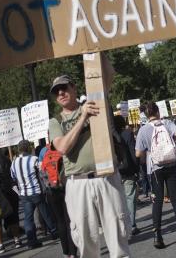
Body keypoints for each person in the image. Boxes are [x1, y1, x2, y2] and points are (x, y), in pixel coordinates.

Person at [49, 75, 131, 258]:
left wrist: (97, 49)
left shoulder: (96, 104)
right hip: (78, 184)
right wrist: (83, 117)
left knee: (118, 234)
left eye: (64, 87)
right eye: (56, 91)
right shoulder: (56, 121)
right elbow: (62, 147)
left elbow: (108, 76)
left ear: (74, 88)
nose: (60, 93)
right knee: (86, 242)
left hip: (107, 177)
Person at [136, 102, 176, 249]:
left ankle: (157, 235)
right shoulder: (167, 123)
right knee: (175, 198)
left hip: (155, 169)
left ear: (146, 115)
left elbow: (138, 153)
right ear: (158, 112)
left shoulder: (143, 130)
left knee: (157, 201)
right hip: (171, 164)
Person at [11, 140, 57, 249]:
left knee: (28, 218)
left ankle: (31, 241)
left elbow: (13, 178)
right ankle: (54, 232)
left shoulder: (14, 162)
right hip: (36, 191)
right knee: (45, 212)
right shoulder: (34, 159)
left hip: (24, 193)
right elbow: (43, 172)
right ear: (28, 148)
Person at [114, 115, 140, 238]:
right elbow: (132, 152)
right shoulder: (128, 134)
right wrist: (136, 169)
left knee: (119, 200)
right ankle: (132, 225)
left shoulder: (111, 136)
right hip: (128, 170)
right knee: (130, 198)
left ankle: (123, 226)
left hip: (116, 171)